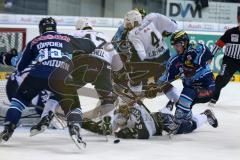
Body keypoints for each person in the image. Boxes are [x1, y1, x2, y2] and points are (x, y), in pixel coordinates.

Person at [0, 17, 96, 147]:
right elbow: (91, 45)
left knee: (19, 101)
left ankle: (8, 128)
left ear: (41, 29)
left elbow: (20, 66)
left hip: (37, 75)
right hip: (62, 75)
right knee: (73, 106)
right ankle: (74, 129)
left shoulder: (34, 41)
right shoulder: (67, 38)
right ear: (55, 28)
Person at [155, 30, 217, 132]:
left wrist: (195, 67)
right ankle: (205, 116)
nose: (175, 47)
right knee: (184, 124)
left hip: (207, 87)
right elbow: (164, 79)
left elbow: (209, 58)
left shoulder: (198, 48)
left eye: (177, 45)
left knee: (183, 104)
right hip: (190, 89)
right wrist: (153, 86)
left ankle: (179, 119)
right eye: (174, 45)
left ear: (184, 43)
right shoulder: (174, 61)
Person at [209, 15, 240, 106]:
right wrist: (210, 56)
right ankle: (213, 99)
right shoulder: (230, 32)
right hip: (229, 61)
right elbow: (218, 45)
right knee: (221, 79)